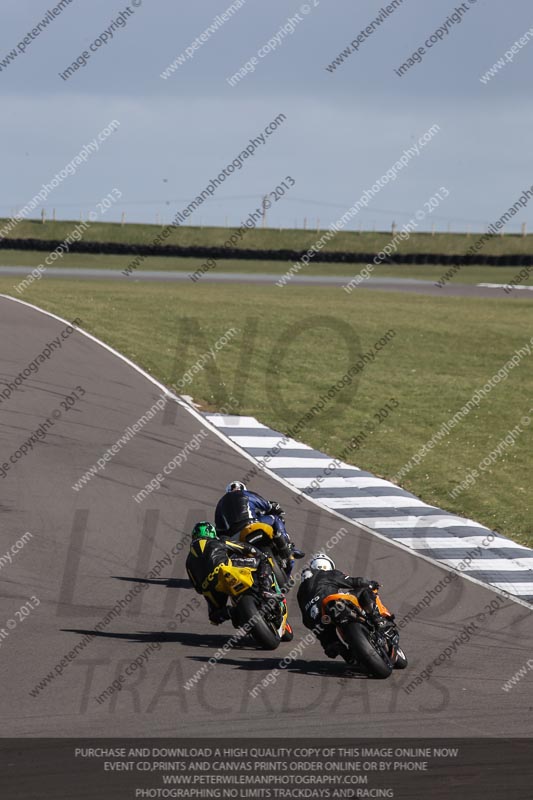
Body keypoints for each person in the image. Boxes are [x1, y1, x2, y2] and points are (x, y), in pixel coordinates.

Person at [185, 521, 293, 640]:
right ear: (211, 532)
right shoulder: (217, 541)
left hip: (210, 587)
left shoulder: (188, 561)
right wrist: (256, 553)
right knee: (264, 560)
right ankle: (265, 590)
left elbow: (197, 587)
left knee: (214, 617)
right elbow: (242, 547)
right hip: (225, 568)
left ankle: (234, 613)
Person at [297, 553, 392, 662]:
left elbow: (305, 619)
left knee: (328, 639)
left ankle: (344, 653)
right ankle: (376, 618)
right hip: (332, 604)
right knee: (364, 590)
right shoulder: (328, 574)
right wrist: (370, 583)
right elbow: (353, 581)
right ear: (328, 566)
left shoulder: (300, 592)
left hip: (316, 619)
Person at [214, 481, 303, 566]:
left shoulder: (220, 504)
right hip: (251, 524)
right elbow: (267, 506)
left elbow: (219, 530)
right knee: (276, 519)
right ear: (243, 488)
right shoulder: (246, 494)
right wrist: (275, 508)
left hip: (235, 537)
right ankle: (288, 546)